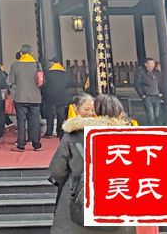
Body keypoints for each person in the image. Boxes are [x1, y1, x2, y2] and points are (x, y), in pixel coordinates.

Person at [49, 94, 135, 234]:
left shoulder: (74, 134)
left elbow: (57, 170)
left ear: (96, 113)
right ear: (120, 114)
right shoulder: (132, 137)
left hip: (79, 208)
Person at [8, 44, 43, 152]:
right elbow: (41, 82)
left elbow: (11, 81)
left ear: (21, 53)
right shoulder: (37, 64)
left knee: (21, 121)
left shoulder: (15, 65)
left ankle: (21, 145)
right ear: (31, 53)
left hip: (20, 97)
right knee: (35, 121)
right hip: (35, 97)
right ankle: (36, 144)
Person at [42, 59, 75, 139]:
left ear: (52, 64)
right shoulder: (65, 74)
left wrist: (43, 94)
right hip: (62, 96)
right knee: (60, 115)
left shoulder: (47, 74)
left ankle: (49, 132)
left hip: (50, 96)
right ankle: (60, 133)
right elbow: (71, 85)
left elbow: (43, 85)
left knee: (50, 114)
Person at [134, 58, 163, 126]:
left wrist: (161, 92)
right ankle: (152, 128)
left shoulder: (156, 72)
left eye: (153, 63)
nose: (152, 65)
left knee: (158, 114)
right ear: (146, 64)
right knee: (150, 115)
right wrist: (142, 95)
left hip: (157, 95)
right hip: (147, 96)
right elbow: (136, 84)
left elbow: (161, 83)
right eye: (150, 64)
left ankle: (159, 127)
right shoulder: (141, 72)